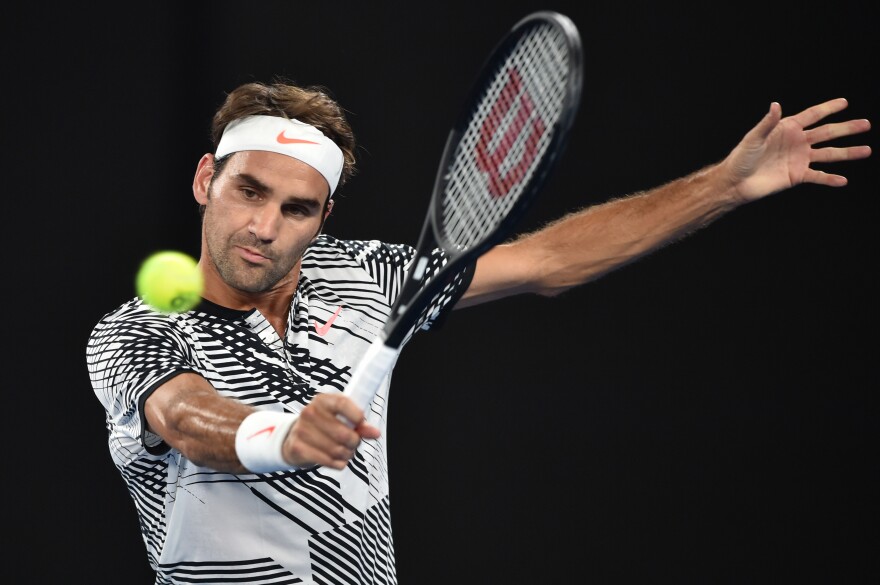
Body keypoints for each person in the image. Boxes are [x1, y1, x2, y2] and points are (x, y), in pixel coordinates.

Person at [86, 79, 871, 584]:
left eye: (296, 207)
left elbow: (547, 258)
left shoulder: (368, 274)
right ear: (204, 180)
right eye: (247, 191)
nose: (263, 226)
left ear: (324, 217)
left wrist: (727, 184)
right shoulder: (135, 331)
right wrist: (284, 437)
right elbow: (187, 419)